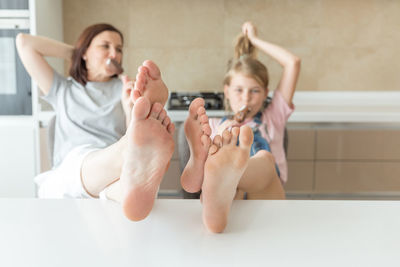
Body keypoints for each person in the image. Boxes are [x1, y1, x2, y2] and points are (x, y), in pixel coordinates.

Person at [16, 23, 174, 221]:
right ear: (85, 52)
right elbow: (24, 43)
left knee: (126, 179)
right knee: (105, 166)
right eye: (104, 46)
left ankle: (128, 163)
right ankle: (127, 154)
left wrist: (129, 107)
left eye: (118, 49)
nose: (114, 54)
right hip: (72, 170)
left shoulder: (126, 90)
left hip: (111, 170)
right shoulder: (62, 89)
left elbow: (136, 133)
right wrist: (76, 53)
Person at [181, 21, 301, 233]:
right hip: (233, 204)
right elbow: (216, 134)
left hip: (266, 197)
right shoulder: (215, 125)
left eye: (254, 91)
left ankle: (226, 175)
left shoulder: (274, 116)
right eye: (239, 90)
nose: (246, 97)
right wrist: (223, 132)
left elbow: (293, 63)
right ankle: (219, 186)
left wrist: (255, 41)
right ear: (226, 91)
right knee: (219, 148)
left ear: (265, 92)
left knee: (264, 159)